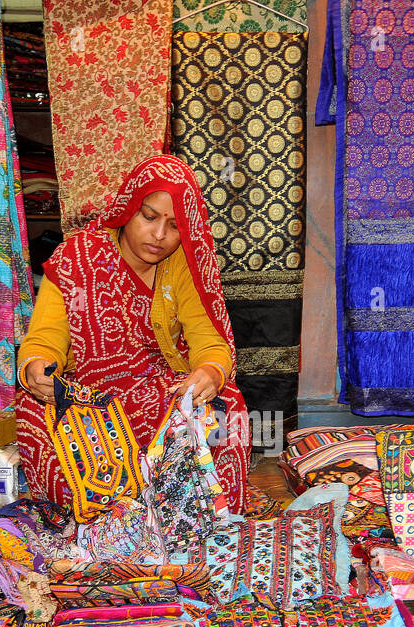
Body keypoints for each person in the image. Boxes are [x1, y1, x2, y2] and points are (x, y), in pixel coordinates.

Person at [14, 156, 251, 513]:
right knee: (33, 408)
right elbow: (45, 337)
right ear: (127, 209)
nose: (159, 235)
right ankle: (96, 518)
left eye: (174, 225)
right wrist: (38, 366)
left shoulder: (184, 265)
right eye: (149, 217)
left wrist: (210, 372)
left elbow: (209, 340)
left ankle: (208, 517)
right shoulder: (76, 259)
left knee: (227, 404)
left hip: (159, 393)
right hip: (87, 400)